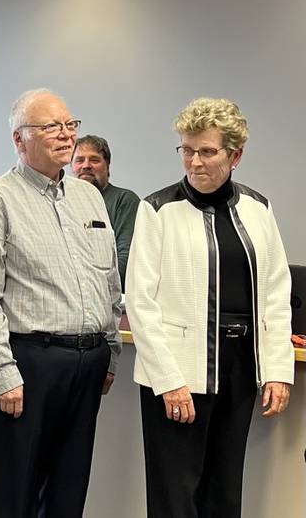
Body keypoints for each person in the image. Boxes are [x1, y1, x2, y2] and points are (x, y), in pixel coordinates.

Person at [126, 97, 293, 518]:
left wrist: (276, 369)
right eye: (187, 149)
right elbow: (140, 303)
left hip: (237, 369)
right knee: (174, 496)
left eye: (207, 151)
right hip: (177, 373)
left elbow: (275, 291)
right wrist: (168, 381)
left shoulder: (258, 208)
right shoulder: (158, 209)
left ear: (235, 155)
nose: (195, 162)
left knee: (223, 492)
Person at [0, 88, 122, 518]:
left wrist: (110, 351)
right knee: (16, 489)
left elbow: (107, 278)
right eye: (51, 126)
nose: (66, 135)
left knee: (69, 486)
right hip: (28, 363)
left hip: (87, 361)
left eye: (71, 125)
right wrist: (1, 371)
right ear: (19, 139)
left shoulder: (89, 197)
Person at [71, 135, 140, 290]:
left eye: (94, 160)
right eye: (79, 160)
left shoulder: (124, 201)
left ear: (107, 166)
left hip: (110, 301)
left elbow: (126, 260)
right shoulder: (62, 205)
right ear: (71, 166)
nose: (86, 166)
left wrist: (86, 290)